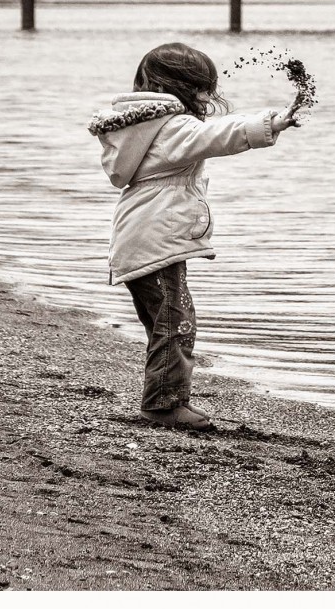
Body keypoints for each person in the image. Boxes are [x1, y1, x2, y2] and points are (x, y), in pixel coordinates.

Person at [88, 42, 301, 430]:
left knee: (166, 322)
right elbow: (217, 136)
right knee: (176, 322)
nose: (207, 96)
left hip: (142, 238)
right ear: (180, 87)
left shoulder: (139, 126)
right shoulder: (172, 128)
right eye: (202, 88)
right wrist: (271, 122)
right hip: (156, 241)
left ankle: (167, 398)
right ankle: (163, 404)